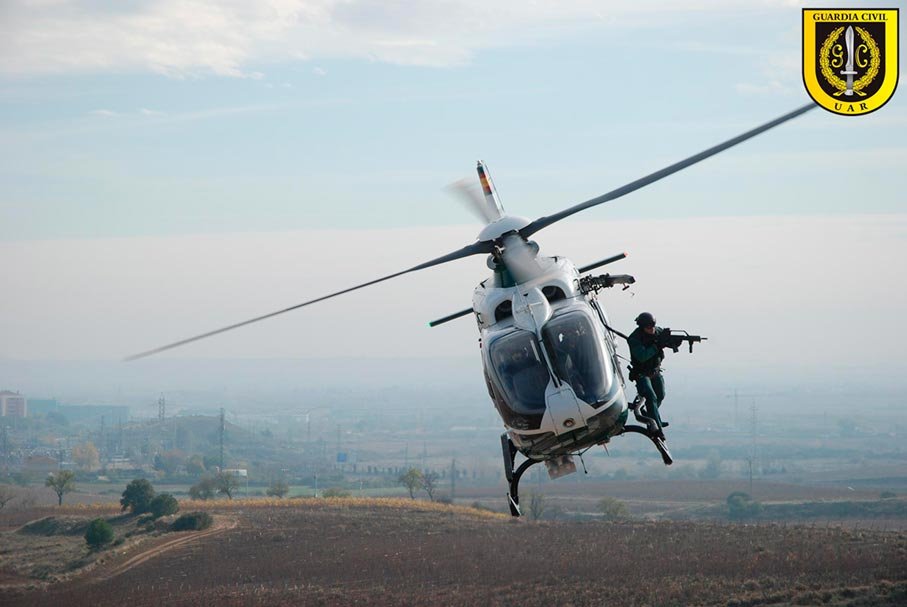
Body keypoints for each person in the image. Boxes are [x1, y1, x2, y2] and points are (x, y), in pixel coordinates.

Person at [627, 312, 669, 433]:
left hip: (655, 371)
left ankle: (653, 416)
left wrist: (672, 342)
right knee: (651, 397)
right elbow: (642, 356)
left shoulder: (657, 331)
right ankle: (656, 428)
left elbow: (666, 338)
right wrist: (657, 346)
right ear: (642, 327)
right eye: (648, 327)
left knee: (660, 395)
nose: (652, 329)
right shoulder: (634, 339)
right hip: (642, 373)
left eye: (653, 326)